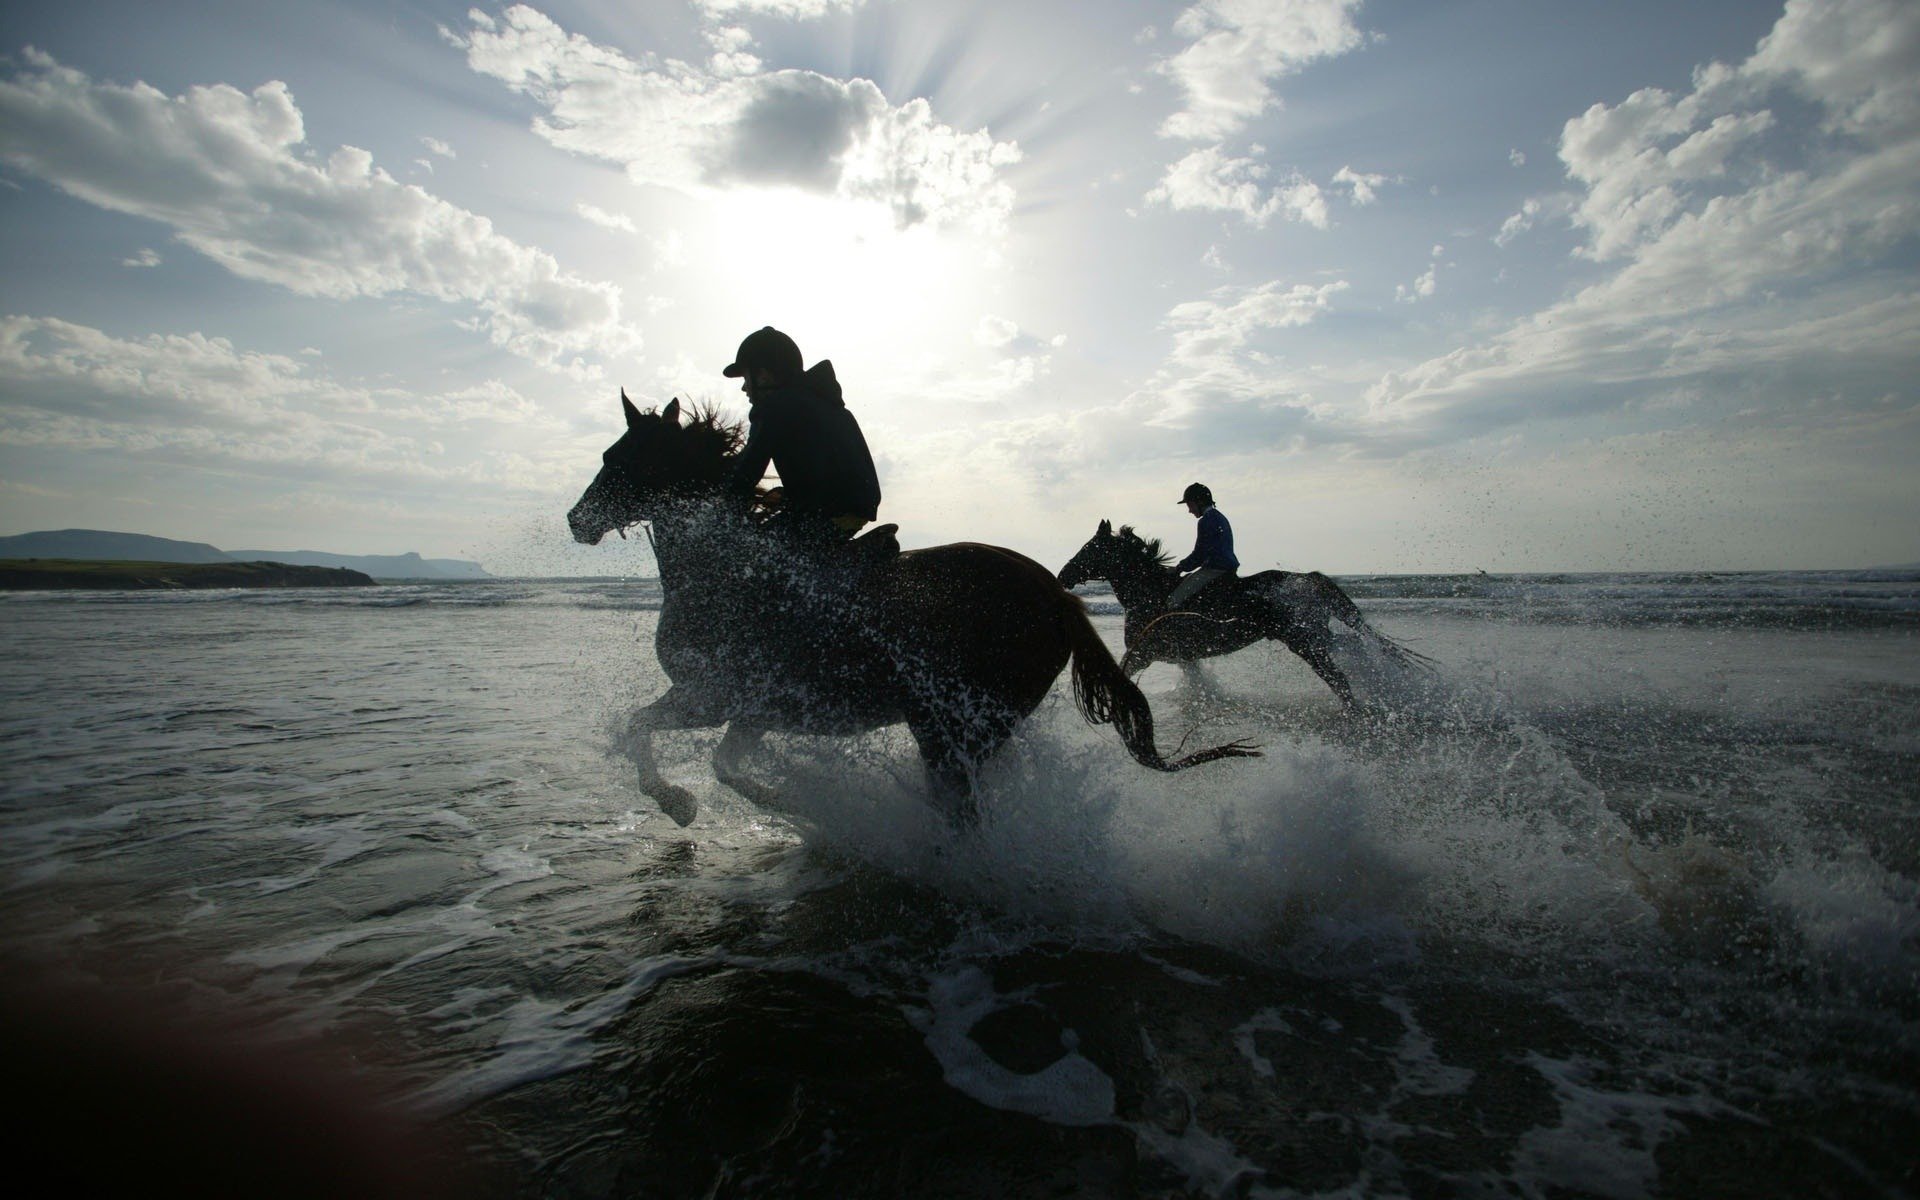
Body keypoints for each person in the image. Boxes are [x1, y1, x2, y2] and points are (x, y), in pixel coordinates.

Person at [723, 326, 881, 553]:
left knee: (749, 553)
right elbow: (828, 469)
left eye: (746, 376)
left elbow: (745, 472)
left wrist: (717, 507)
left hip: (823, 516)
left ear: (763, 374)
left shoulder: (772, 407)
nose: (744, 387)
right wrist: (789, 497)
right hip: (855, 511)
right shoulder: (828, 403)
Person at [1168, 482, 1237, 610]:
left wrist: (1179, 568)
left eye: (1190, 505)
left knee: (1173, 600)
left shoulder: (1206, 520)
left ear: (1199, 502)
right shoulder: (1219, 516)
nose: (1189, 510)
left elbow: (1200, 554)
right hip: (1228, 568)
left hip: (1214, 569)